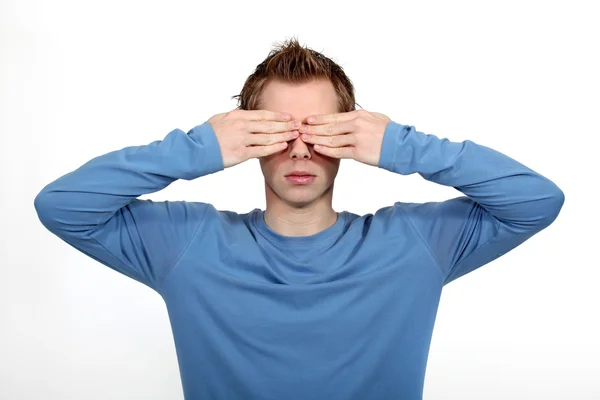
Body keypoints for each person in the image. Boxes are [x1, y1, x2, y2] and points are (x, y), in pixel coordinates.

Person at [33, 37, 565, 399]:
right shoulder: (188, 245)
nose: (300, 152)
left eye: (319, 131)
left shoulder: (414, 243)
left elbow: (536, 200)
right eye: (278, 131)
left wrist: (402, 145)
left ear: (350, 139)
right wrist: (197, 148)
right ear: (247, 140)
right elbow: (62, 206)